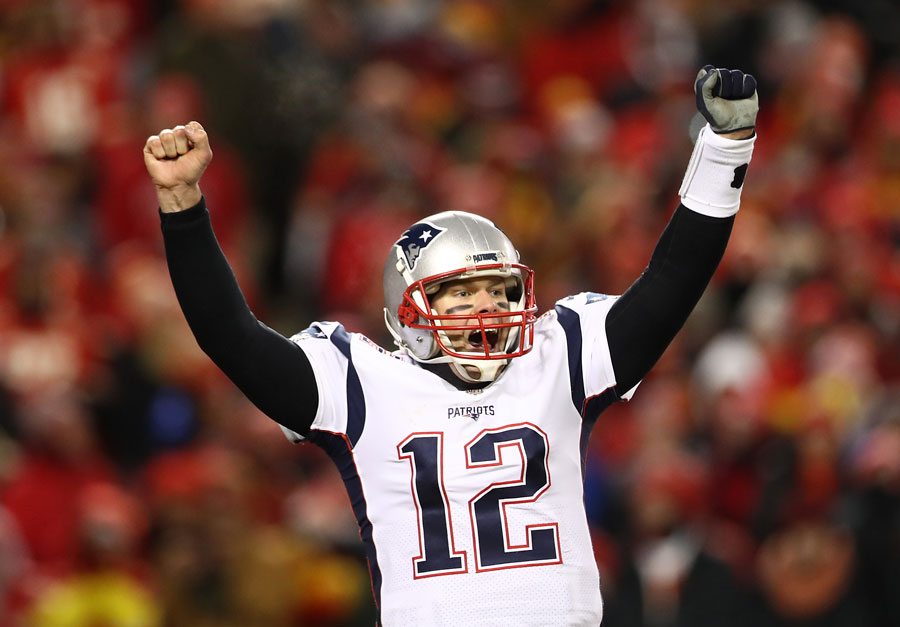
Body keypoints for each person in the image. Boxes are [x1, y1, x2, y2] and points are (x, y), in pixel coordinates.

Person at [143, 65, 759, 626]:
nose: (485, 311)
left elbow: (671, 288)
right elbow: (232, 338)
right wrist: (182, 206)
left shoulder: (558, 357)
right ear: (409, 312)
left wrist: (723, 151)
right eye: (460, 297)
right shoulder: (362, 385)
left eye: (499, 292)